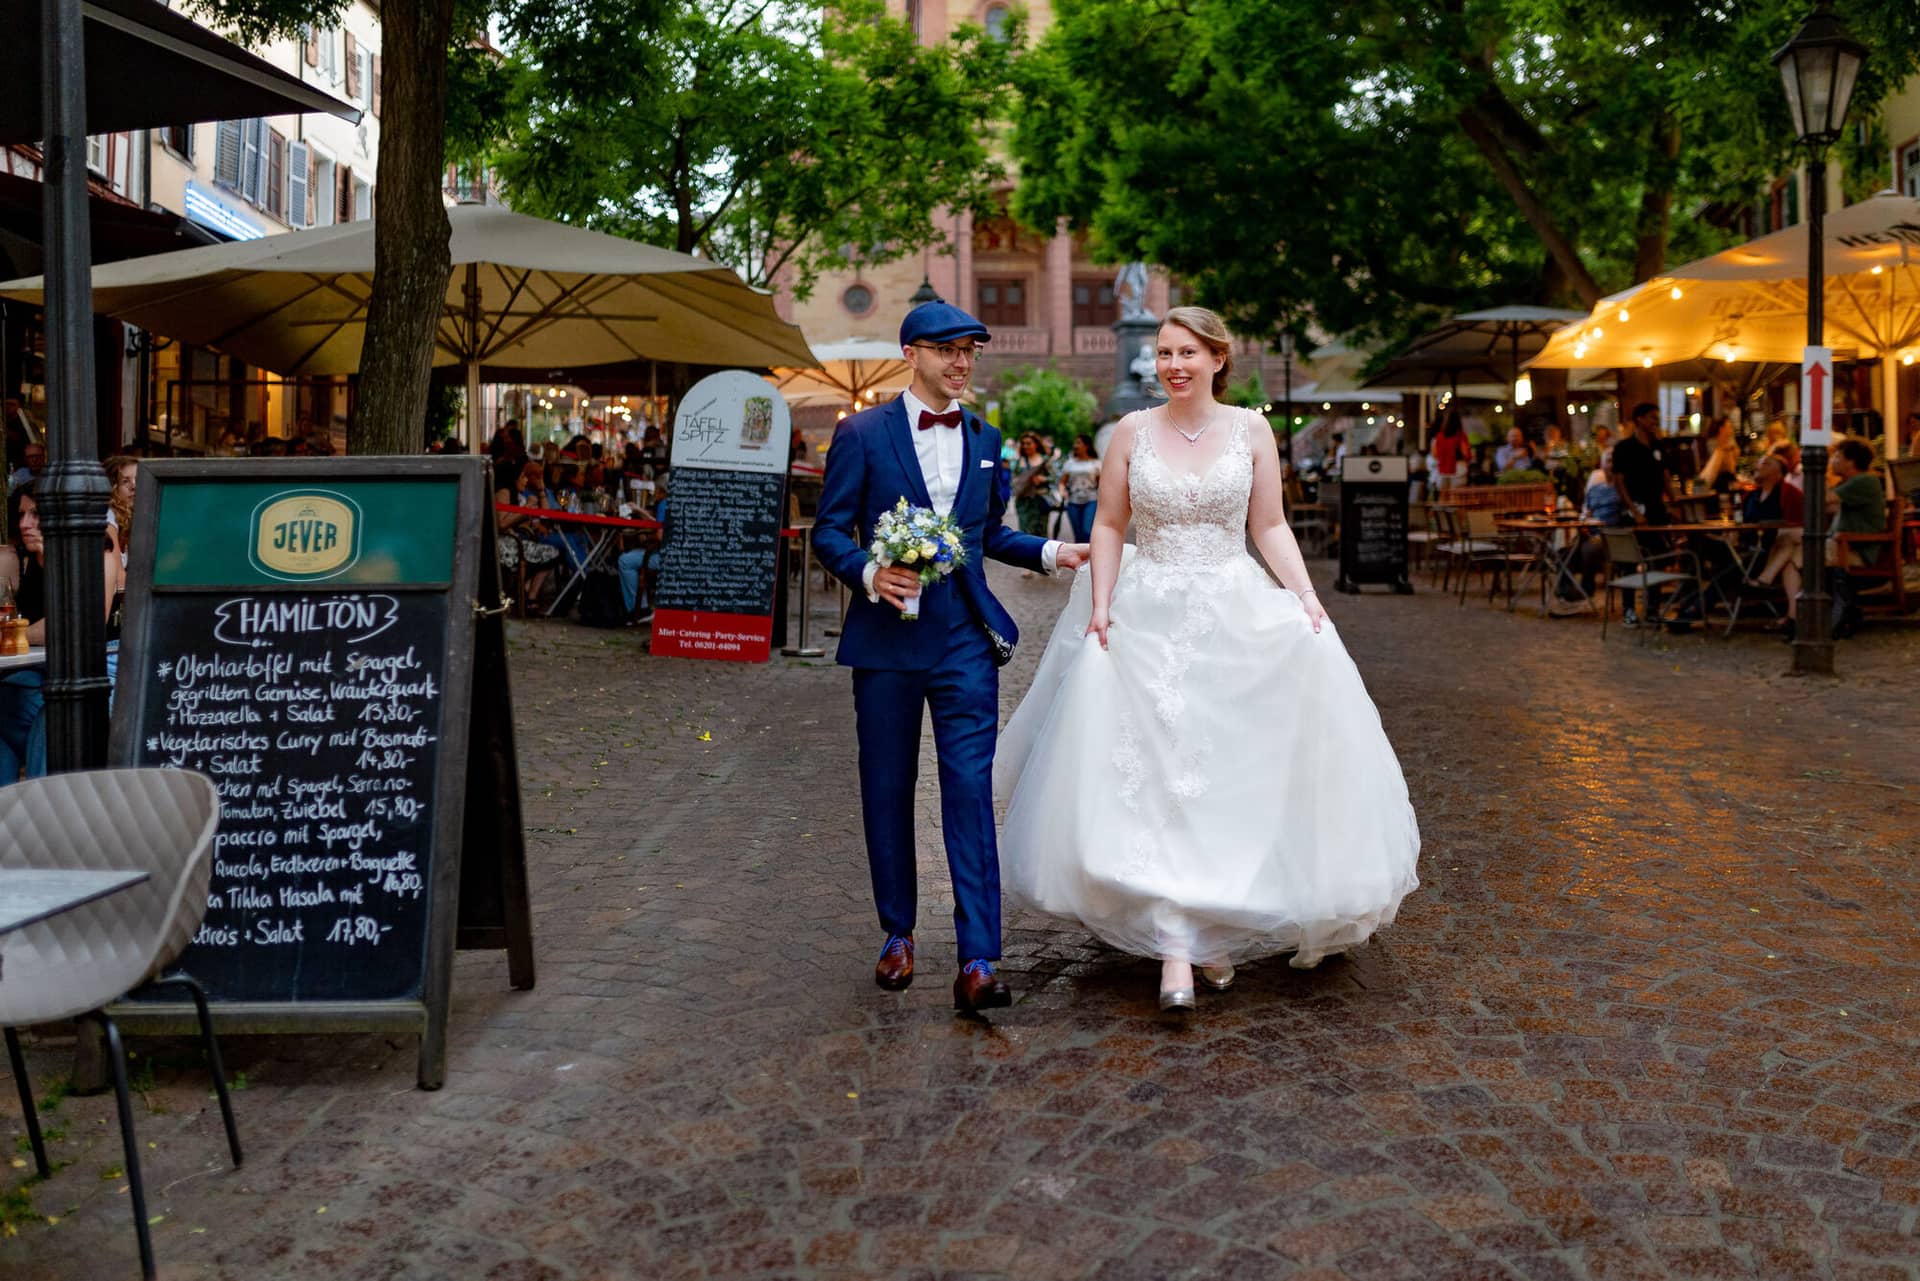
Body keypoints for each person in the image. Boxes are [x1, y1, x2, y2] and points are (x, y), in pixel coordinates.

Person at [995, 306, 1419, 1014]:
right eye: (1164, 353)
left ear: (1218, 358)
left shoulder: (1252, 430)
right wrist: (1102, 605)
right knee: (1154, 774)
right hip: (1147, 613)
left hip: (1231, 609)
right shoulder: (1131, 431)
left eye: (1186, 352)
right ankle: (1175, 935)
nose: (1173, 365)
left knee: (1221, 773)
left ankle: (1212, 921)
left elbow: (1269, 524)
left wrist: (1306, 596)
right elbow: (1109, 523)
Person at [811, 300, 1089, 1013]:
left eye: (969, 351)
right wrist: (870, 572)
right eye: (947, 350)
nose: (961, 362)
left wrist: (1055, 552)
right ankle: (897, 934)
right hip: (886, 641)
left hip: (965, 638)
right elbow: (829, 530)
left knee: (969, 789)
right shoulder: (862, 433)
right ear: (911, 353)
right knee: (887, 787)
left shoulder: (986, 437)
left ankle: (978, 958)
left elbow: (988, 533)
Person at [0, 483, 121, 781]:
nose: (25, 523)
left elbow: (80, 624)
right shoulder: (22, 558)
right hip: (41, 667)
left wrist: (17, 634)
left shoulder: (97, 553)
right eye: (21, 515)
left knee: (55, 716)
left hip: (100, 668)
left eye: (35, 514)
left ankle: (44, 802)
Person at [1609, 401, 1674, 626]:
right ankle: (1628, 608)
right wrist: (1634, 510)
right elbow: (1619, 482)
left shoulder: (1658, 446)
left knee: (1657, 559)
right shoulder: (1624, 448)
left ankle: (1653, 608)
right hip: (1634, 510)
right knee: (1630, 560)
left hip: (1657, 510)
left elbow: (1665, 477)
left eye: (1657, 417)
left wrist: (1674, 502)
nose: (1656, 422)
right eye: (1652, 417)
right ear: (1640, 419)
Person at [1827, 437, 1886, 638]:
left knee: (1798, 550)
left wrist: (1820, 474)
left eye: (1836, 457)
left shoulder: (1864, 481)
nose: (1832, 461)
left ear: (1850, 462)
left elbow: (1824, 500)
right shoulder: (1850, 484)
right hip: (1842, 546)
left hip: (1856, 551)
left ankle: (1798, 616)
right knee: (1791, 546)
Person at [1010, 433, 1053, 540]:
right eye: (1023, 443)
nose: (1025, 446)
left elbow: (1055, 478)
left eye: (1029, 443)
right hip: (1023, 501)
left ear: (1036, 444)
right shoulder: (1018, 461)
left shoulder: (1044, 460)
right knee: (1025, 533)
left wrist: (1043, 479)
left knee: (1041, 533)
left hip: (1040, 500)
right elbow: (1013, 480)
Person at [1061, 434, 1101, 542]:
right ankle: (1081, 553)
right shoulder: (1069, 463)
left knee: (1087, 531)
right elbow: (1062, 482)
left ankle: (1091, 551)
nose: (1075, 445)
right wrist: (1062, 491)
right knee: (1078, 534)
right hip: (1073, 501)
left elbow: (1101, 484)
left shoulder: (1096, 463)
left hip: (1091, 500)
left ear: (1087, 445)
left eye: (1078, 443)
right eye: (1075, 443)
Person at [1697, 416, 1740, 495]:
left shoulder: (1730, 443)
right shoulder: (1713, 444)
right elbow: (1714, 467)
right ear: (1721, 429)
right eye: (1729, 427)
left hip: (1728, 482)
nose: (1731, 430)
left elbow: (1733, 464)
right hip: (1716, 483)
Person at [1430, 407, 1470, 491]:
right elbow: (1466, 453)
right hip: (1459, 470)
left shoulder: (1439, 436)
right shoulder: (1461, 436)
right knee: (1456, 495)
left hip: (1442, 470)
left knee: (1444, 495)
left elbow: (1434, 454)